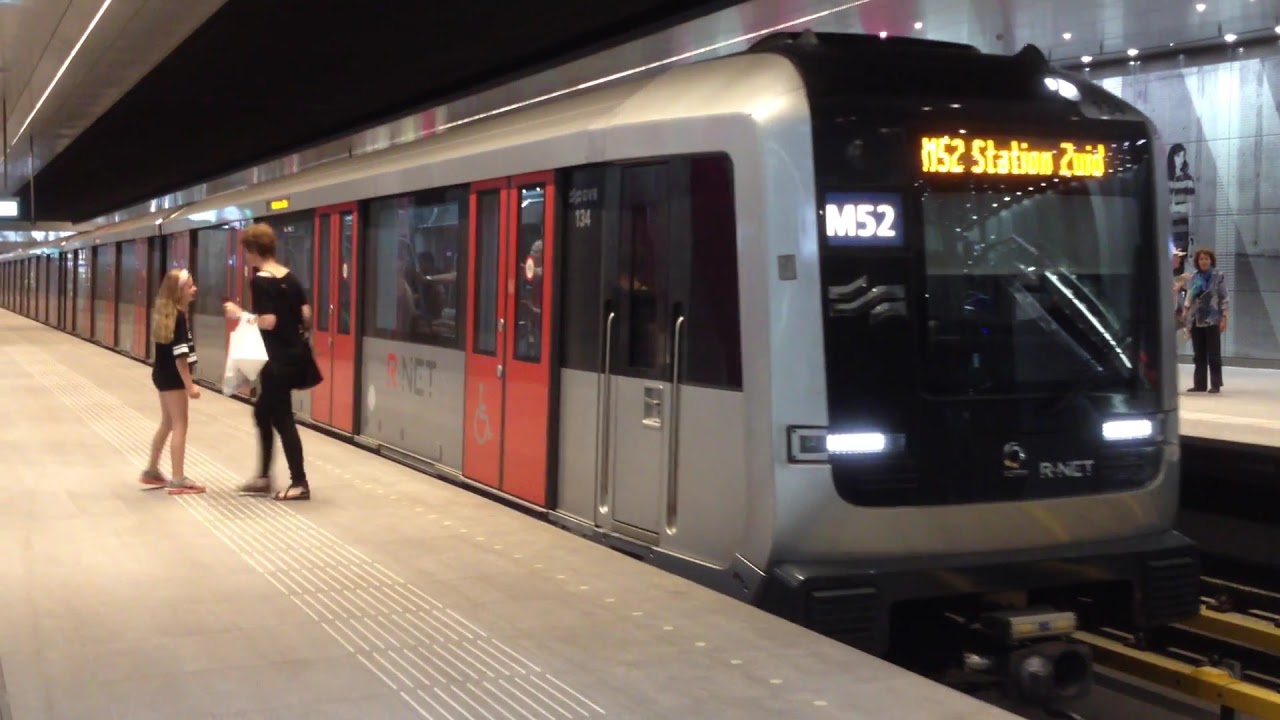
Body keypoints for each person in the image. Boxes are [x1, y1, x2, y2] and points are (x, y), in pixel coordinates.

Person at [223, 223, 319, 500]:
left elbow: (268, 320)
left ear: (254, 250)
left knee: (283, 419)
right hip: (293, 358)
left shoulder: (261, 280)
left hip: (274, 361)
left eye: (247, 251)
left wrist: (241, 314)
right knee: (262, 413)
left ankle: (299, 483)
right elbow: (306, 315)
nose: (246, 257)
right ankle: (264, 476)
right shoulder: (291, 277)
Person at [139, 268, 205, 495]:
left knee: (167, 423)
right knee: (180, 425)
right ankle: (177, 479)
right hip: (173, 378)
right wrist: (190, 385)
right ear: (178, 292)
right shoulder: (178, 317)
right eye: (190, 286)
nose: (194, 289)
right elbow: (180, 357)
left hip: (161, 374)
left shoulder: (167, 313)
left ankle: (152, 470)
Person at [1181, 248, 1230, 394]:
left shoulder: (1218, 276)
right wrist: (1185, 312)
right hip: (1197, 318)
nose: (1204, 261)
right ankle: (1199, 384)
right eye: (1201, 259)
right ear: (1197, 261)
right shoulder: (1194, 277)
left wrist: (1225, 317)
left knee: (1214, 354)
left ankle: (1215, 384)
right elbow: (1190, 296)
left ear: (1211, 261)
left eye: (1207, 259)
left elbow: (1224, 297)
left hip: (1213, 318)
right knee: (1199, 354)